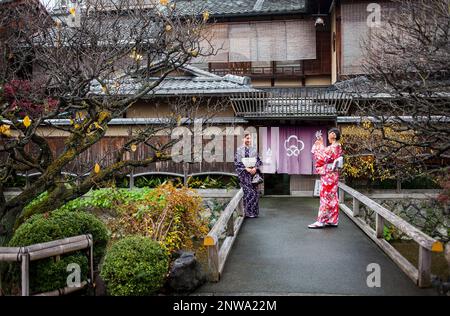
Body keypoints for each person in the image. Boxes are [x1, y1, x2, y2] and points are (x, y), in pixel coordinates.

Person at [308, 128, 343, 228]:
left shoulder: (334, 147)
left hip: (329, 175)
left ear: (334, 135)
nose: (329, 135)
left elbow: (322, 156)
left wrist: (319, 144)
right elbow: (325, 152)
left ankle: (321, 220)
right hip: (333, 174)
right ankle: (332, 220)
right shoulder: (336, 146)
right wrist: (321, 143)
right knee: (332, 197)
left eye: (330, 133)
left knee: (326, 197)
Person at [234, 132, 262, 218]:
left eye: (250, 138)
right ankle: (247, 212)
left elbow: (258, 161)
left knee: (254, 193)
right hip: (245, 174)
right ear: (243, 139)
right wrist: (246, 168)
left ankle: (254, 212)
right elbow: (237, 162)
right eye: (247, 138)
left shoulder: (253, 150)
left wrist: (255, 168)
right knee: (247, 193)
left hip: (253, 174)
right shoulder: (239, 150)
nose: (249, 140)